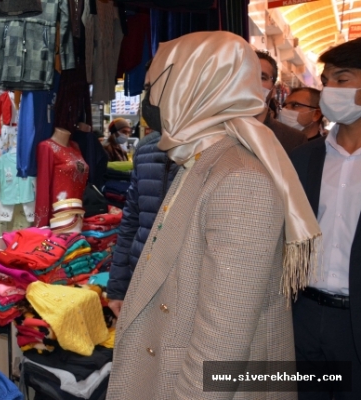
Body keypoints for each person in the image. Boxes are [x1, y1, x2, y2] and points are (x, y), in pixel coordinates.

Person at [107, 31, 320, 399]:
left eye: (159, 83)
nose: (150, 98)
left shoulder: (238, 177)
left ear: (197, 86)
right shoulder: (205, 158)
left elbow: (222, 342)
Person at [289, 37, 361, 399]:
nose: (329, 90)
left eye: (342, 79)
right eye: (327, 80)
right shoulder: (304, 158)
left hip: (353, 323)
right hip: (303, 314)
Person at [106, 130, 179, 317]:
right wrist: (118, 288)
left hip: (184, 281)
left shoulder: (215, 150)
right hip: (141, 274)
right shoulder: (146, 150)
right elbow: (130, 222)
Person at [256, 50, 308, 153]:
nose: (253, 82)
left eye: (262, 77)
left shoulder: (294, 140)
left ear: (273, 90)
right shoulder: (218, 131)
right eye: (245, 75)